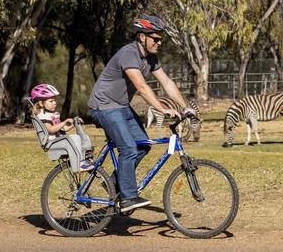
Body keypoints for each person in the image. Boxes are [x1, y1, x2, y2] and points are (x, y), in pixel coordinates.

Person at [88, 14, 196, 212]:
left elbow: (167, 83)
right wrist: (162, 109)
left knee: (143, 146)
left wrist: (185, 106)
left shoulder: (151, 58)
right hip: (104, 106)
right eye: (156, 38)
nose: (159, 42)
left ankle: (114, 182)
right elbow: (141, 86)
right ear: (142, 37)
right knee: (128, 149)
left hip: (121, 106)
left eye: (161, 38)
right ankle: (128, 198)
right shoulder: (128, 54)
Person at [31, 83, 95, 171]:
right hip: (52, 143)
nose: (54, 103)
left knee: (85, 137)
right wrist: (64, 122)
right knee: (75, 138)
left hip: (61, 140)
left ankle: (88, 158)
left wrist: (74, 124)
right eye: (51, 101)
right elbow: (51, 130)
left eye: (55, 100)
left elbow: (63, 129)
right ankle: (80, 163)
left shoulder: (53, 115)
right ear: (41, 103)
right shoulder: (43, 116)